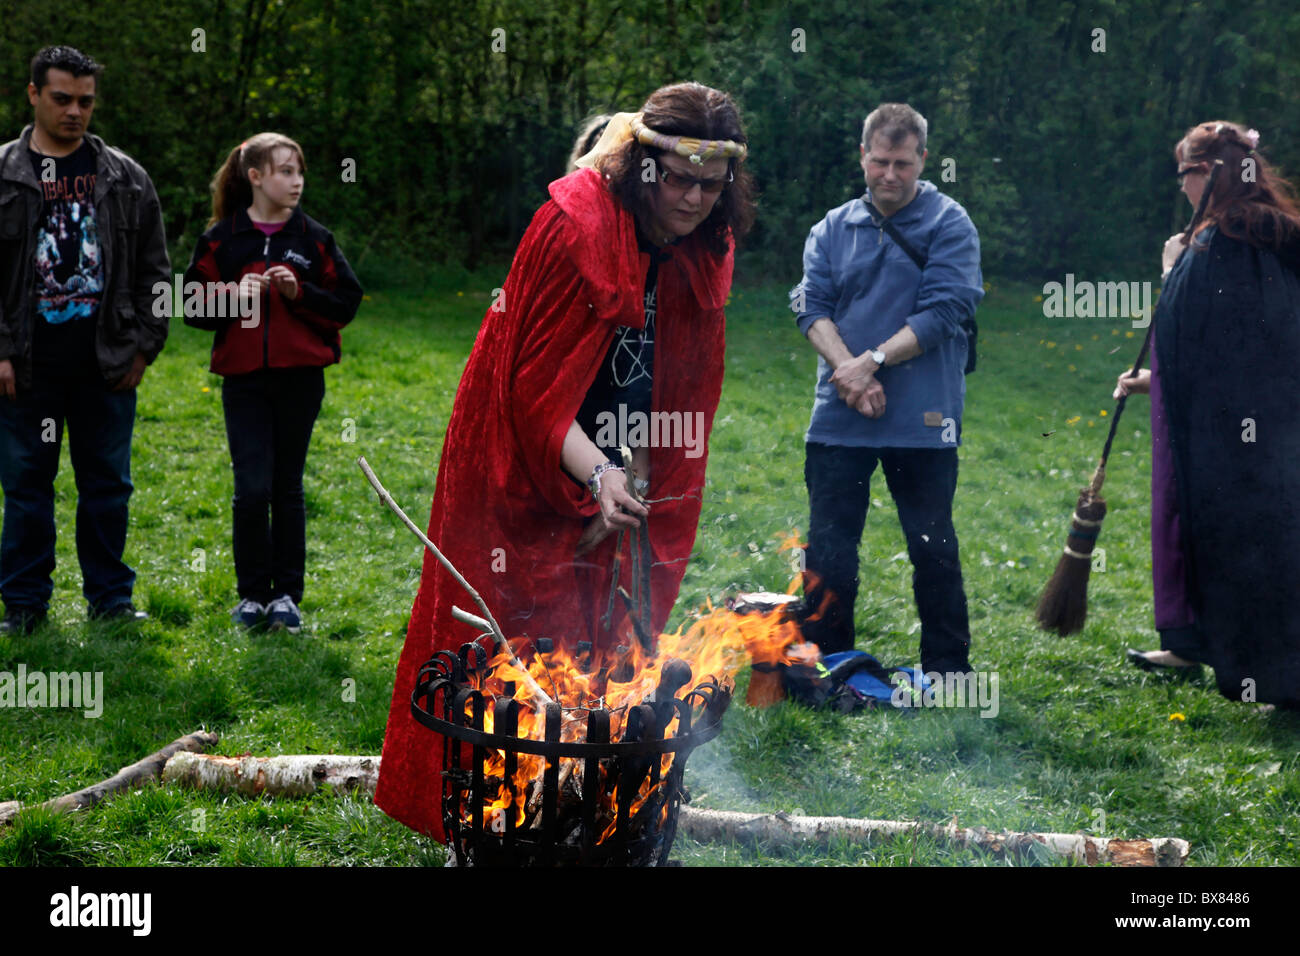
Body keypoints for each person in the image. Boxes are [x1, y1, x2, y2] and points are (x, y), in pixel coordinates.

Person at [376, 82, 754, 840]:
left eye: (711, 184)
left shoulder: (708, 238)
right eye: (675, 177)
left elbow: (681, 376)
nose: (691, 198)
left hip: (622, 440)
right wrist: (598, 474)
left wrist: (641, 473)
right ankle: (493, 811)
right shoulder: (574, 225)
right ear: (641, 162)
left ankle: (583, 796)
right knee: (514, 625)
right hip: (527, 451)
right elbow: (534, 394)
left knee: (607, 622)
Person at [789, 103, 983, 677]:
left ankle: (948, 669)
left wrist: (869, 362)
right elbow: (809, 306)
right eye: (879, 162)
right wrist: (849, 371)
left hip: (924, 417)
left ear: (923, 159)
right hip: (838, 417)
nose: (890, 175)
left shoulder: (950, 223)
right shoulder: (831, 227)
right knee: (828, 550)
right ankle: (827, 661)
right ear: (863, 157)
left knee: (933, 547)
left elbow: (947, 308)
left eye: (903, 163)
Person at [1117, 121, 1300, 708]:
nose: (1181, 190)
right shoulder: (1261, 231)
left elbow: (1205, 331)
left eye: (1184, 176)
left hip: (1240, 434)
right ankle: (1201, 644)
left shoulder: (1235, 240)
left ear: (1209, 174)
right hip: (1255, 424)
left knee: (1248, 543)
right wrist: (1157, 381)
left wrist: (1172, 269)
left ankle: (1272, 677)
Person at [0, 46, 170, 634]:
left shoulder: (124, 177)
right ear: (32, 95)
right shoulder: (4, 173)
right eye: (62, 99)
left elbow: (156, 271)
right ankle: (23, 607)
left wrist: (145, 346)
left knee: (108, 487)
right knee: (25, 487)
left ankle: (110, 602)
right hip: (24, 366)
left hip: (107, 363)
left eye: (86, 102)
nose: (75, 111)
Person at [183, 132, 362, 632]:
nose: (296, 181)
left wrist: (298, 292)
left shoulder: (314, 238)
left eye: (299, 171)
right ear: (255, 176)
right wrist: (233, 294)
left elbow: (345, 303)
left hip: (300, 382)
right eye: (285, 171)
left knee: (286, 487)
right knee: (251, 489)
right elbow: (191, 308)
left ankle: (286, 596)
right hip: (243, 384)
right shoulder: (222, 239)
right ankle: (250, 597)